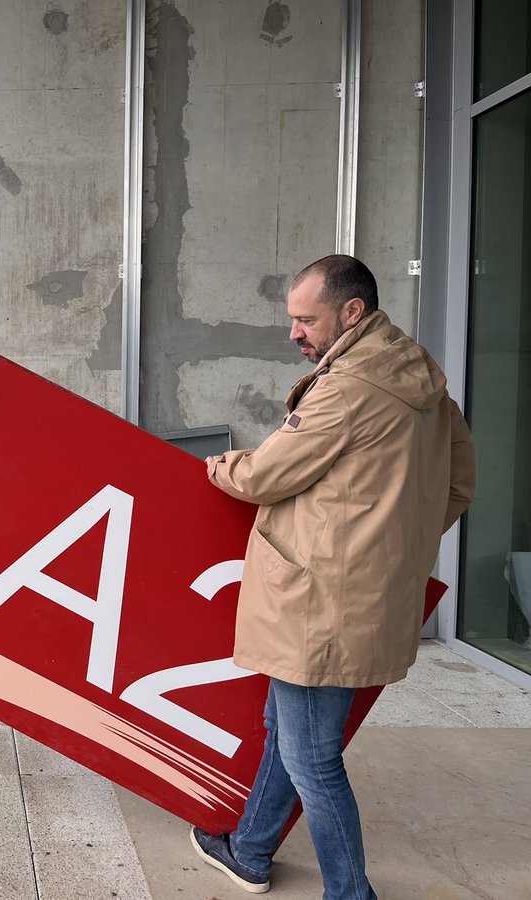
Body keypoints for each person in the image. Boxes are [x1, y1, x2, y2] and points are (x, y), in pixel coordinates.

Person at [191, 255, 476, 897]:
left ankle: (351, 892)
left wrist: (219, 467)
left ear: (351, 313)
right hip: (363, 594)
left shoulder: (349, 386)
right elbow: (457, 485)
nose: (294, 332)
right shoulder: (424, 381)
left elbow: (266, 474)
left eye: (304, 319)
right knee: (288, 731)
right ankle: (251, 849)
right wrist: (390, 543)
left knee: (314, 758)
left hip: (320, 599)